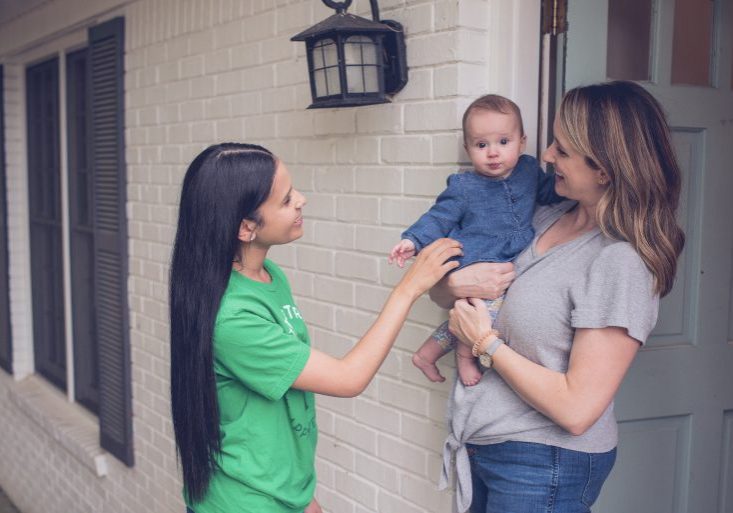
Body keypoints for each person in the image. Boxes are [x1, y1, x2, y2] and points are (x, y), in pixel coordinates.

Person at [432, 81, 686, 513]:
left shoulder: (619, 262)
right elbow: (445, 287)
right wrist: (454, 286)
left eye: (562, 150)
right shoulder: (545, 214)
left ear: (604, 169)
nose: (547, 156)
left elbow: (577, 408)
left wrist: (484, 343)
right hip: (485, 444)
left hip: (543, 463)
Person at [169, 143, 462, 513]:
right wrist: (408, 289)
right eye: (286, 199)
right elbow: (347, 378)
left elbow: (277, 405)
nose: (301, 200)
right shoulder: (231, 317)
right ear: (246, 227)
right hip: (244, 502)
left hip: (279, 491)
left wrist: (302, 495)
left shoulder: (266, 276)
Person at [388, 94, 562, 386]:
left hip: (504, 260)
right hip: (476, 259)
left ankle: (426, 354)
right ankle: (464, 358)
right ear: (468, 149)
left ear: (522, 141)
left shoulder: (530, 170)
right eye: (482, 145)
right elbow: (439, 217)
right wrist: (413, 240)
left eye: (503, 142)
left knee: (474, 316)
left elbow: (549, 193)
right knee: (483, 317)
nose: (493, 153)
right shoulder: (465, 186)